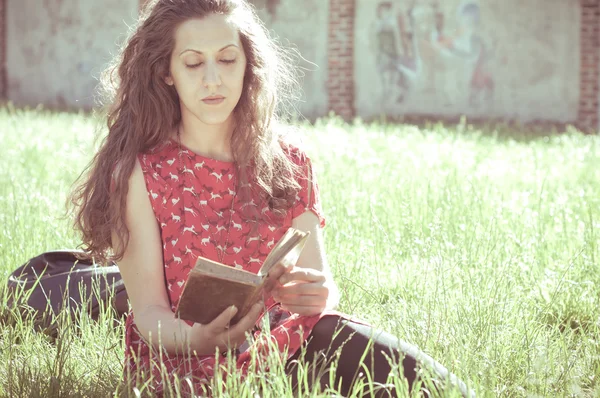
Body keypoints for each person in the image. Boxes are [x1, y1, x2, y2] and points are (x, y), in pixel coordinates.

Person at [69, 0, 474, 396]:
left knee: (417, 378)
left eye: (228, 59)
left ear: (248, 65)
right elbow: (149, 314)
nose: (213, 78)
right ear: (166, 72)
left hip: (286, 341)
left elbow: (324, 286)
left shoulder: (289, 159)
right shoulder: (140, 171)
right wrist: (198, 340)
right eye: (193, 63)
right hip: (186, 361)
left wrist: (316, 292)